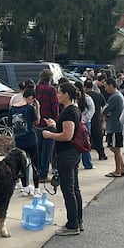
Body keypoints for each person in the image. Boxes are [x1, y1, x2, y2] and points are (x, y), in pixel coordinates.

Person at [42, 82, 84, 236]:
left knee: (69, 190)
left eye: (59, 92)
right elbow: (66, 130)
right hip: (72, 153)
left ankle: (72, 224)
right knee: (75, 188)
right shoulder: (72, 110)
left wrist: (50, 134)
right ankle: (78, 220)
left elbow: (67, 135)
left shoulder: (69, 112)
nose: (57, 95)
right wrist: (55, 125)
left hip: (67, 154)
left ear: (66, 94)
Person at [10, 86, 40, 195]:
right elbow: (37, 122)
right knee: (35, 164)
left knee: (21, 165)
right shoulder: (30, 108)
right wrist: (38, 107)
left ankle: (24, 187)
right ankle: (36, 188)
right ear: (31, 97)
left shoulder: (12, 108)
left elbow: (10, 123)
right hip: (31, 139)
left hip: (19, 139)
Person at [35, 69, 59, 183]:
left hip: (38, 122)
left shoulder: (36, 88)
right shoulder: (51, 89)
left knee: (39, 150)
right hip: (49, 122)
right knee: (47, 151)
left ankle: (38, 172)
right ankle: (43, 175)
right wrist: (56, 119)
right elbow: (54, 106)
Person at [102, 77, 124, 177]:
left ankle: (117, 170)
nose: (105, 89)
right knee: (114, 148)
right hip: (116, 125)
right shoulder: (118, 96)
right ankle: (123, 168)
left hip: (114, 126)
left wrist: (106, 114)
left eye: (106, 86)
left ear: (111, 85)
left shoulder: (114, 97)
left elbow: (104, 110)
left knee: (115, 148)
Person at [84, 79, 107, 161]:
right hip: (97, 119)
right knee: (98, 138)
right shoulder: (99, 95)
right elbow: (105, 106)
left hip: (86, 119)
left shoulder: (84, 96)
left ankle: (87, 157)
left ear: (85, 87)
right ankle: (101, 154)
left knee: (86, 138)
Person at [75, 80, 96, 169]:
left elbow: (92, 109)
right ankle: (84, 163)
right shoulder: (79, 98)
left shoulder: (86, 98)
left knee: (83, 143)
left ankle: (86, 163)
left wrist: (84, 119)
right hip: (82, 122)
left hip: (84, 123)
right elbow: (92, 110)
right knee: (84, 143)